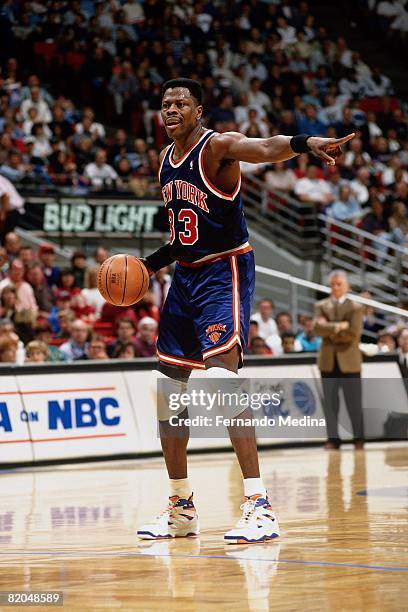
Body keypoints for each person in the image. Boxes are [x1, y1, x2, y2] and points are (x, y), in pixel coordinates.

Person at [137, 78, 354, 544]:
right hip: (186, 275)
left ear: (199, 111)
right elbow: (183, 238)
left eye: (181, 103)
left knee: (221, 379)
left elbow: (267, 145)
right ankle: (181, 507)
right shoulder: (164, 161)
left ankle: (259, 506)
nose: (171, 109)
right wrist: (147, 265)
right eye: (166, 104)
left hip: (225, 272)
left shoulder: (219, 148)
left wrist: (306, 143)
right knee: (167, 389)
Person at [313, 270, 364, 450]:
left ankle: (359, 438)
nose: (335, 287)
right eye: (332, 284)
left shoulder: (356, 307)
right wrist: (338, 326)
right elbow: (316, 330)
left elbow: (353, 334)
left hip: (349, 361)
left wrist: (328, 329)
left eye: (339, 284)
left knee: (354, 402)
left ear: (347, 286)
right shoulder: (321, 305)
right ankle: (333, 439)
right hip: (327, 361)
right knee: (330, 404)